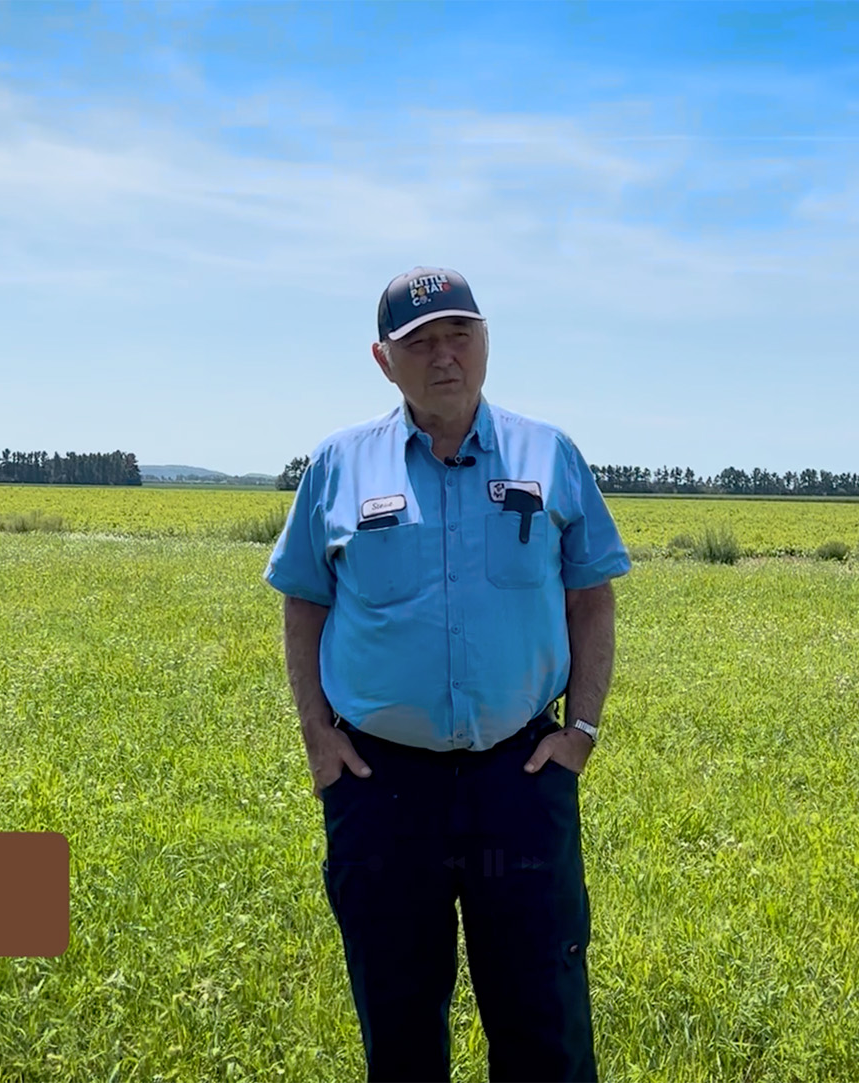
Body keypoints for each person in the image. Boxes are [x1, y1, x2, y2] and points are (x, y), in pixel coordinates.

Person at [264, 266, 631, 1082]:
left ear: (487, 340)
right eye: (419, 342)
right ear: (382, 359)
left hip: (521, 778)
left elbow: (592, 598)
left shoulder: (550, 454)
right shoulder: (338, 466)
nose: (444, 356)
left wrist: (582, 730)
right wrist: (320, 742)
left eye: (459, 334)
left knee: (545, 1017)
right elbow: (303, 605)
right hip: (382, 789)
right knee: (398, 1024)